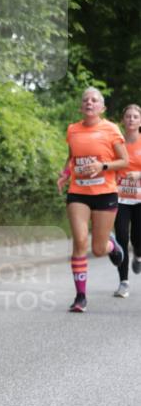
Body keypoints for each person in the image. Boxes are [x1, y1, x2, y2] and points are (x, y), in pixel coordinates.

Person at [57, 87, 128, 313]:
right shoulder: (73, 130)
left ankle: (111, 245)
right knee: (79, 242)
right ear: (81, 106)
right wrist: (65, 174)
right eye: (86, 100)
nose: (89, 102)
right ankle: (80, 297)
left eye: (94, 100)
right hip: (78, 192)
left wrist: (102, 166)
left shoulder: (111, 129)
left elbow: (124, 161)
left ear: (102, 107)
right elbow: (72, 158)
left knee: (98, 249)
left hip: (105, 193)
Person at [113, 104, 141, 298]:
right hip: (120, 197)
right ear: (123, 120)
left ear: (140, 121)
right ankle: (123, 282)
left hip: (140, 199)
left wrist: (139, 174)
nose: (131, 119)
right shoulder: (117, 143)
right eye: (128, 116)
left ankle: (138, 255)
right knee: (121, 237)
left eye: (135, 116)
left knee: (138, 238)